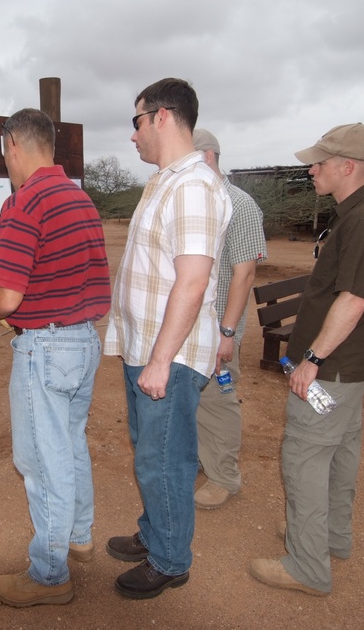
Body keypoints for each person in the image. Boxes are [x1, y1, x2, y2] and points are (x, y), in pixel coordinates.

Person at [250, 123, 364, 596]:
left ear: (348, 166)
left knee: (305, 458)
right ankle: (329, 538)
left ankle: (307, 567)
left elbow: (354, 301)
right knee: (338, 454)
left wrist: (312, 357)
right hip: (346, 369)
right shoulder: (360, 214)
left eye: (319, 162)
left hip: (331, 369)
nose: (311, 169)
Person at [0, 108, 111, 608]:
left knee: (41, 461)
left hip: (47, 349)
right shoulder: (79, 198)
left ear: (12, 144)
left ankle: (50, 575)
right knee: (69, 444)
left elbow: (6, 298)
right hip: (83, 341)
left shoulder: (25, 202)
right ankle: (78, 535)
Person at [103, 78, 232, 599]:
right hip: (149, 351)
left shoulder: (194, 186)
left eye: (135, 122)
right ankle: (159, 531)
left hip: (168, 357)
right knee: (149, 450)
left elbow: (194, 280)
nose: (132, 136)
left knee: (164, 457)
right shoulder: (166, 180)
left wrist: (160, 360)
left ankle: (171, 558)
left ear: (161, 116)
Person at [191, 129, 267, 510]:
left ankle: (224, 477)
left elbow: (245, 274)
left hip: (219, 328)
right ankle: (202, 463)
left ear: (206, 158)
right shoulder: (198, 202)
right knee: (192, 402)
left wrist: (227, 332)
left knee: (217, 401)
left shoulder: (240, 205)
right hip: (189, 328)